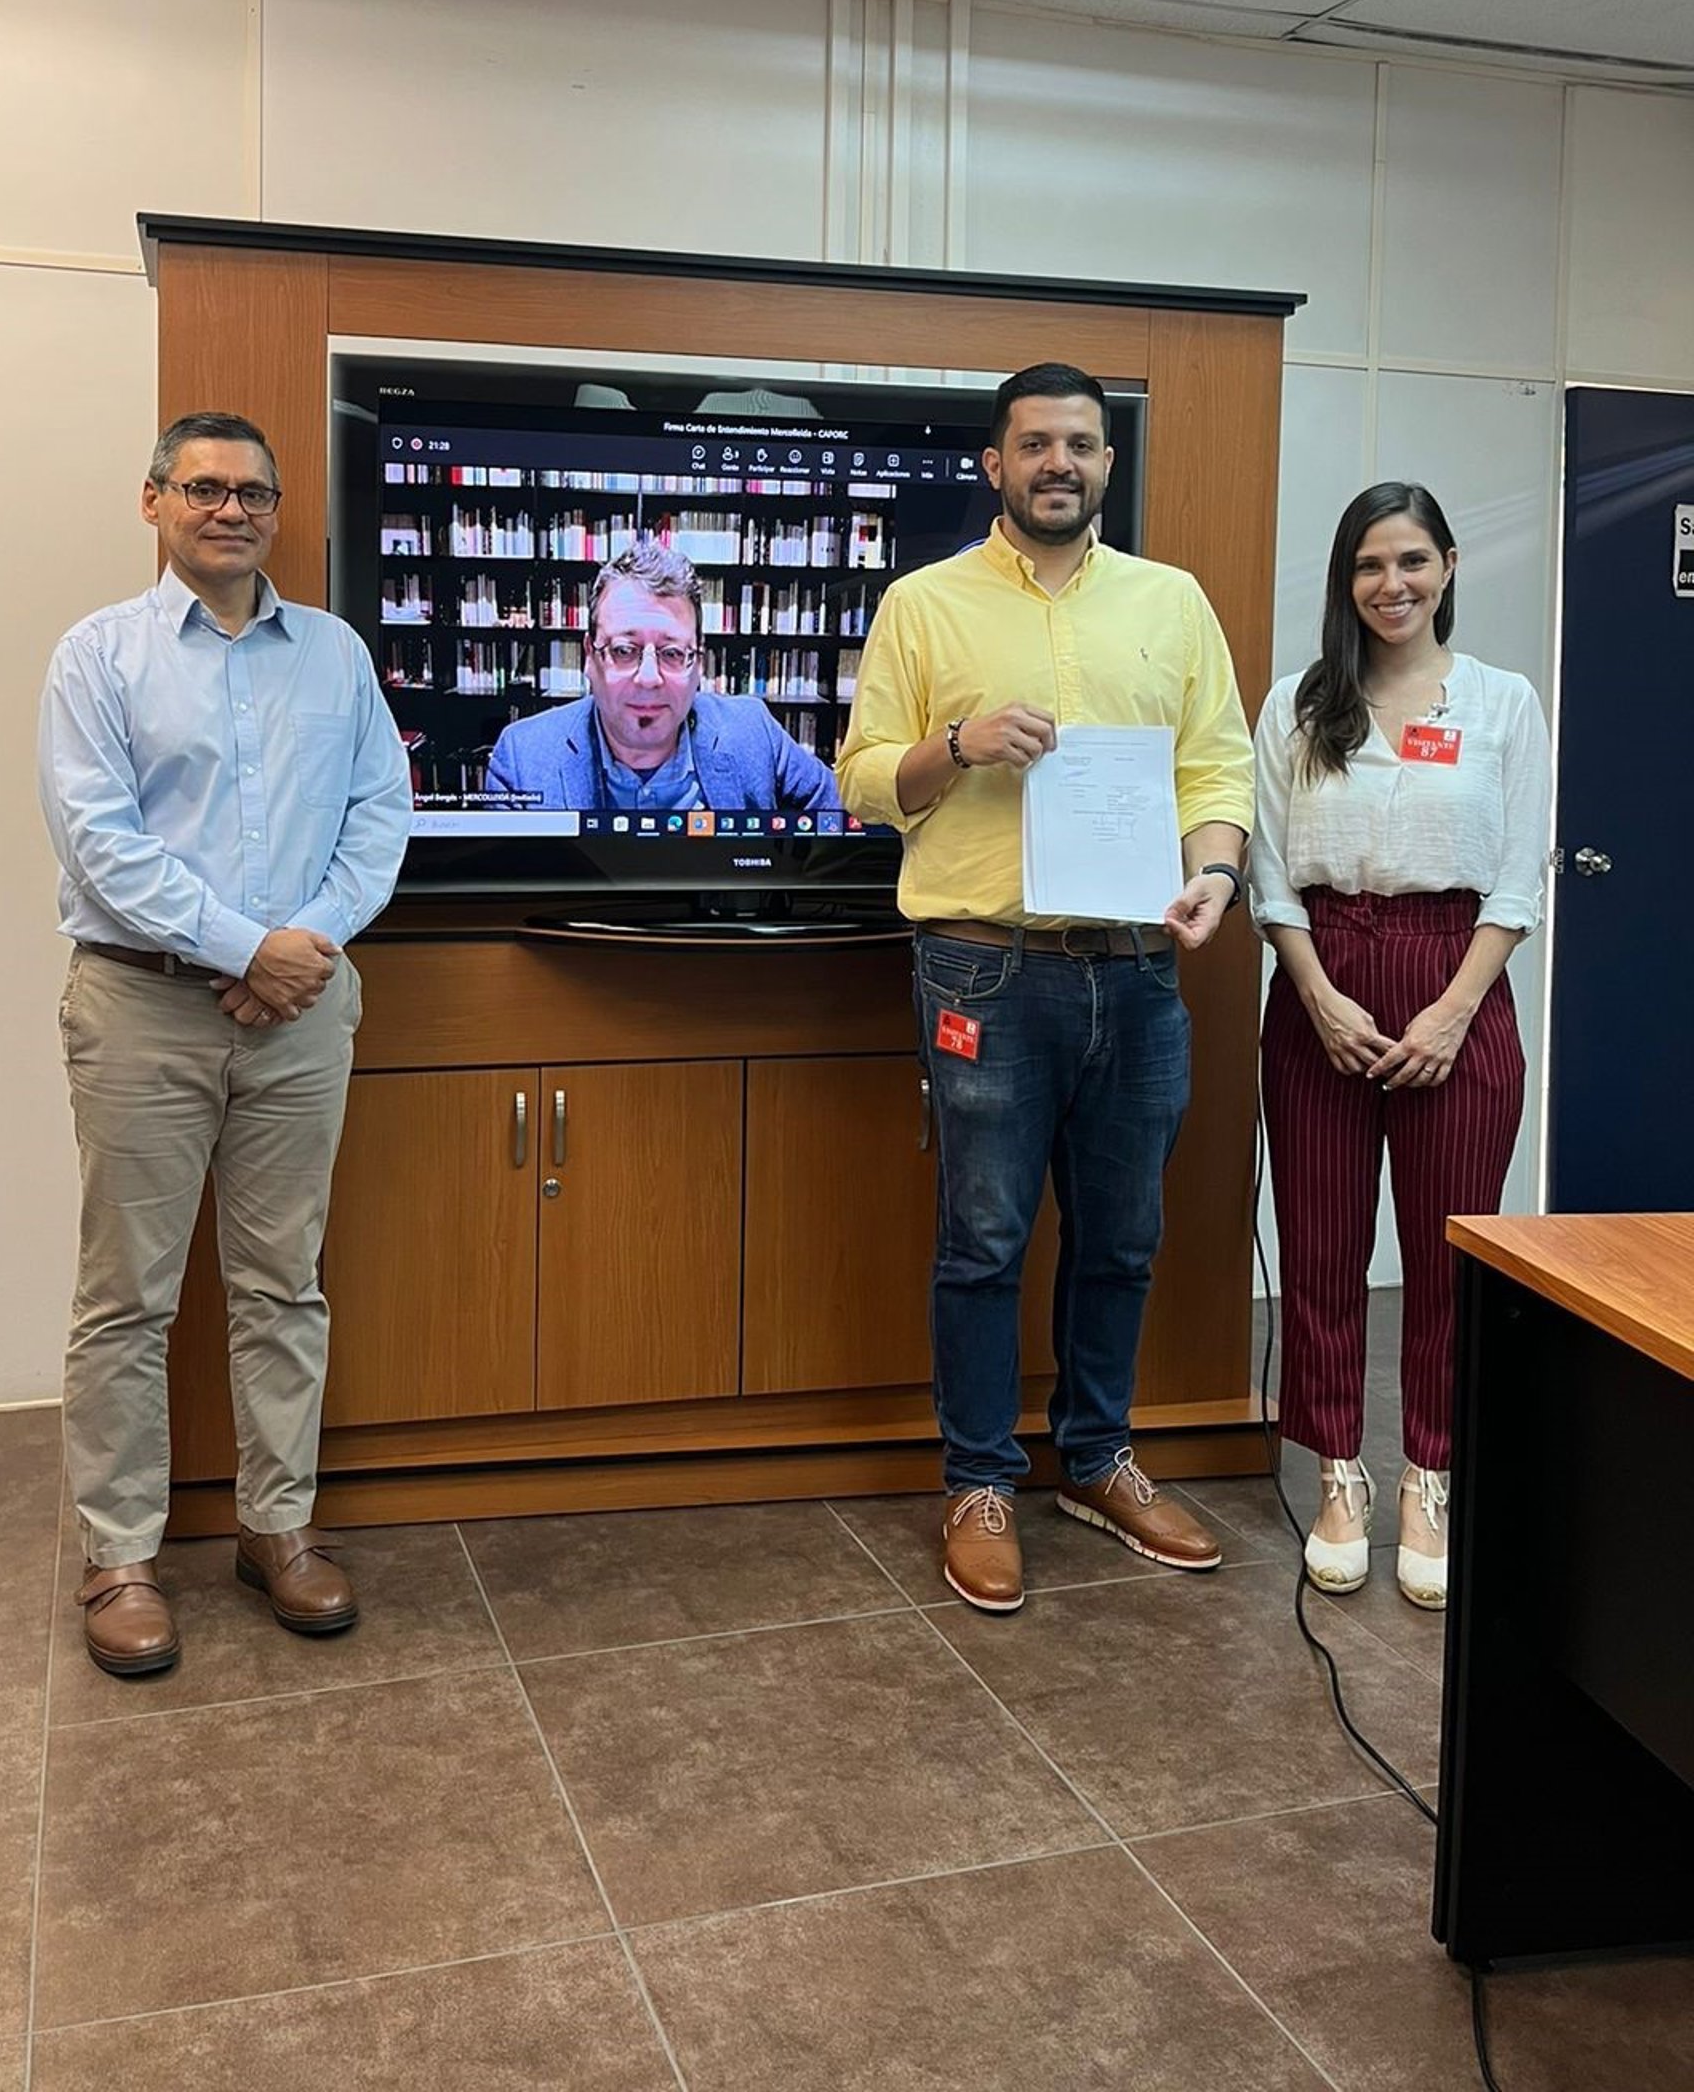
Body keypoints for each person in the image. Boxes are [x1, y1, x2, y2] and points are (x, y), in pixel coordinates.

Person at [837, 362, 1253, 1613]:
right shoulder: (924, 604)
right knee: (984, 1240)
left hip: (1138, 968)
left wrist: (1215, 875)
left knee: (1123, 1236)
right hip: (984, 968)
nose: (1057, 462)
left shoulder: (1172, 602)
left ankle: (1096, 1457)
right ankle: (978, 1480)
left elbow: (1215, 770)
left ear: (1107, 462)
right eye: (1034, 444)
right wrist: (958, 744)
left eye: (1079, 442)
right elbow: (862, 779)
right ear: (995, 464)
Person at [40, 413, 410, 1676]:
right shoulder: (99, 656)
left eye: (252, 492)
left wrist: (299, 946)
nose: (230, 509)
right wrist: (245, 947)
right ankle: (120, 1556)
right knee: (126, 1296)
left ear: (276, 512)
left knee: (282, 1282)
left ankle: (278, 1527)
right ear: (153, 501)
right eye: (202, 487)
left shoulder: (336, 655)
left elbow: (380, 814)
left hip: (301, 1009)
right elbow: (100, 843)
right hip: (143, 1008)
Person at [1252, 482, 1548, 1609]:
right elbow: (1269, 870)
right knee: (1323, 1250)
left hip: (1455, 982)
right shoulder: (1300, 703)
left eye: (1413, 560)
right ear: (1347, 580)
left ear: (1449, 567)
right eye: (1371, 565)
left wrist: (1455, 1009)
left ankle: (1432, 1473)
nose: (1393, 584)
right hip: (1321, 979)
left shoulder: (1503, 702)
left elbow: (1519, 875)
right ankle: (1339, 1473)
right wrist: (1318, 994)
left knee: (1447, 1255)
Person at [485, 538, 842, 815]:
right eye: (624, 650)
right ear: (589, 656)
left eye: (672, 653)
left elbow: (848, 824)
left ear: (699, 663)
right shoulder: (521, 758)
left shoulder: (753, 732)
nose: (648, 678)